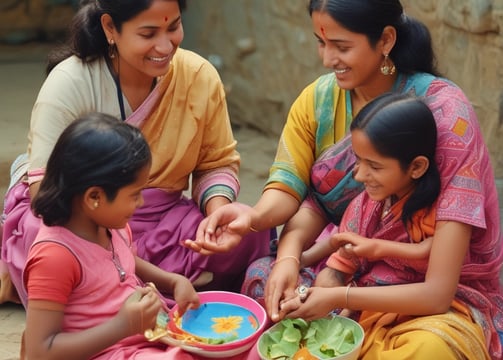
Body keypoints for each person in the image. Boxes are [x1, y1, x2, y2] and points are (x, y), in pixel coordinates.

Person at [184, 0, 503, 358]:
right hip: (352, 275)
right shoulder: (318, 102)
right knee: (266, 282)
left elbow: (439, 278)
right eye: (321, 43)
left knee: (428, 348)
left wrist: (340, 292)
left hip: (438, 292)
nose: (326, 59)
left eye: (341, 46)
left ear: (385, 40)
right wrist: (277, 246)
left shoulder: (446, 116)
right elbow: (304, 198)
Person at [0, 0, 273, 306]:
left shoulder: (198, 76)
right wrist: (113, 241)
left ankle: (120, 290)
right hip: (84, 220)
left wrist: (217, 216)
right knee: (57, 248)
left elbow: (216, 163)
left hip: (162, 221)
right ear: (109, 28)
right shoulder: (71, 82)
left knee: (251, 232)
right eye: (148, 34)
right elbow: (46, 195)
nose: (165, 45)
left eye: (174, 27)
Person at [24, 113, 202, 359]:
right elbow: (38, 352)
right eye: (134, 194)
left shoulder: (111, 225)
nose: (141, 202)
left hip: (139, 339)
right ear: (94, 197)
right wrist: (122, 327)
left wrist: (172, 281)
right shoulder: (55, 256)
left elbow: (125, 263)